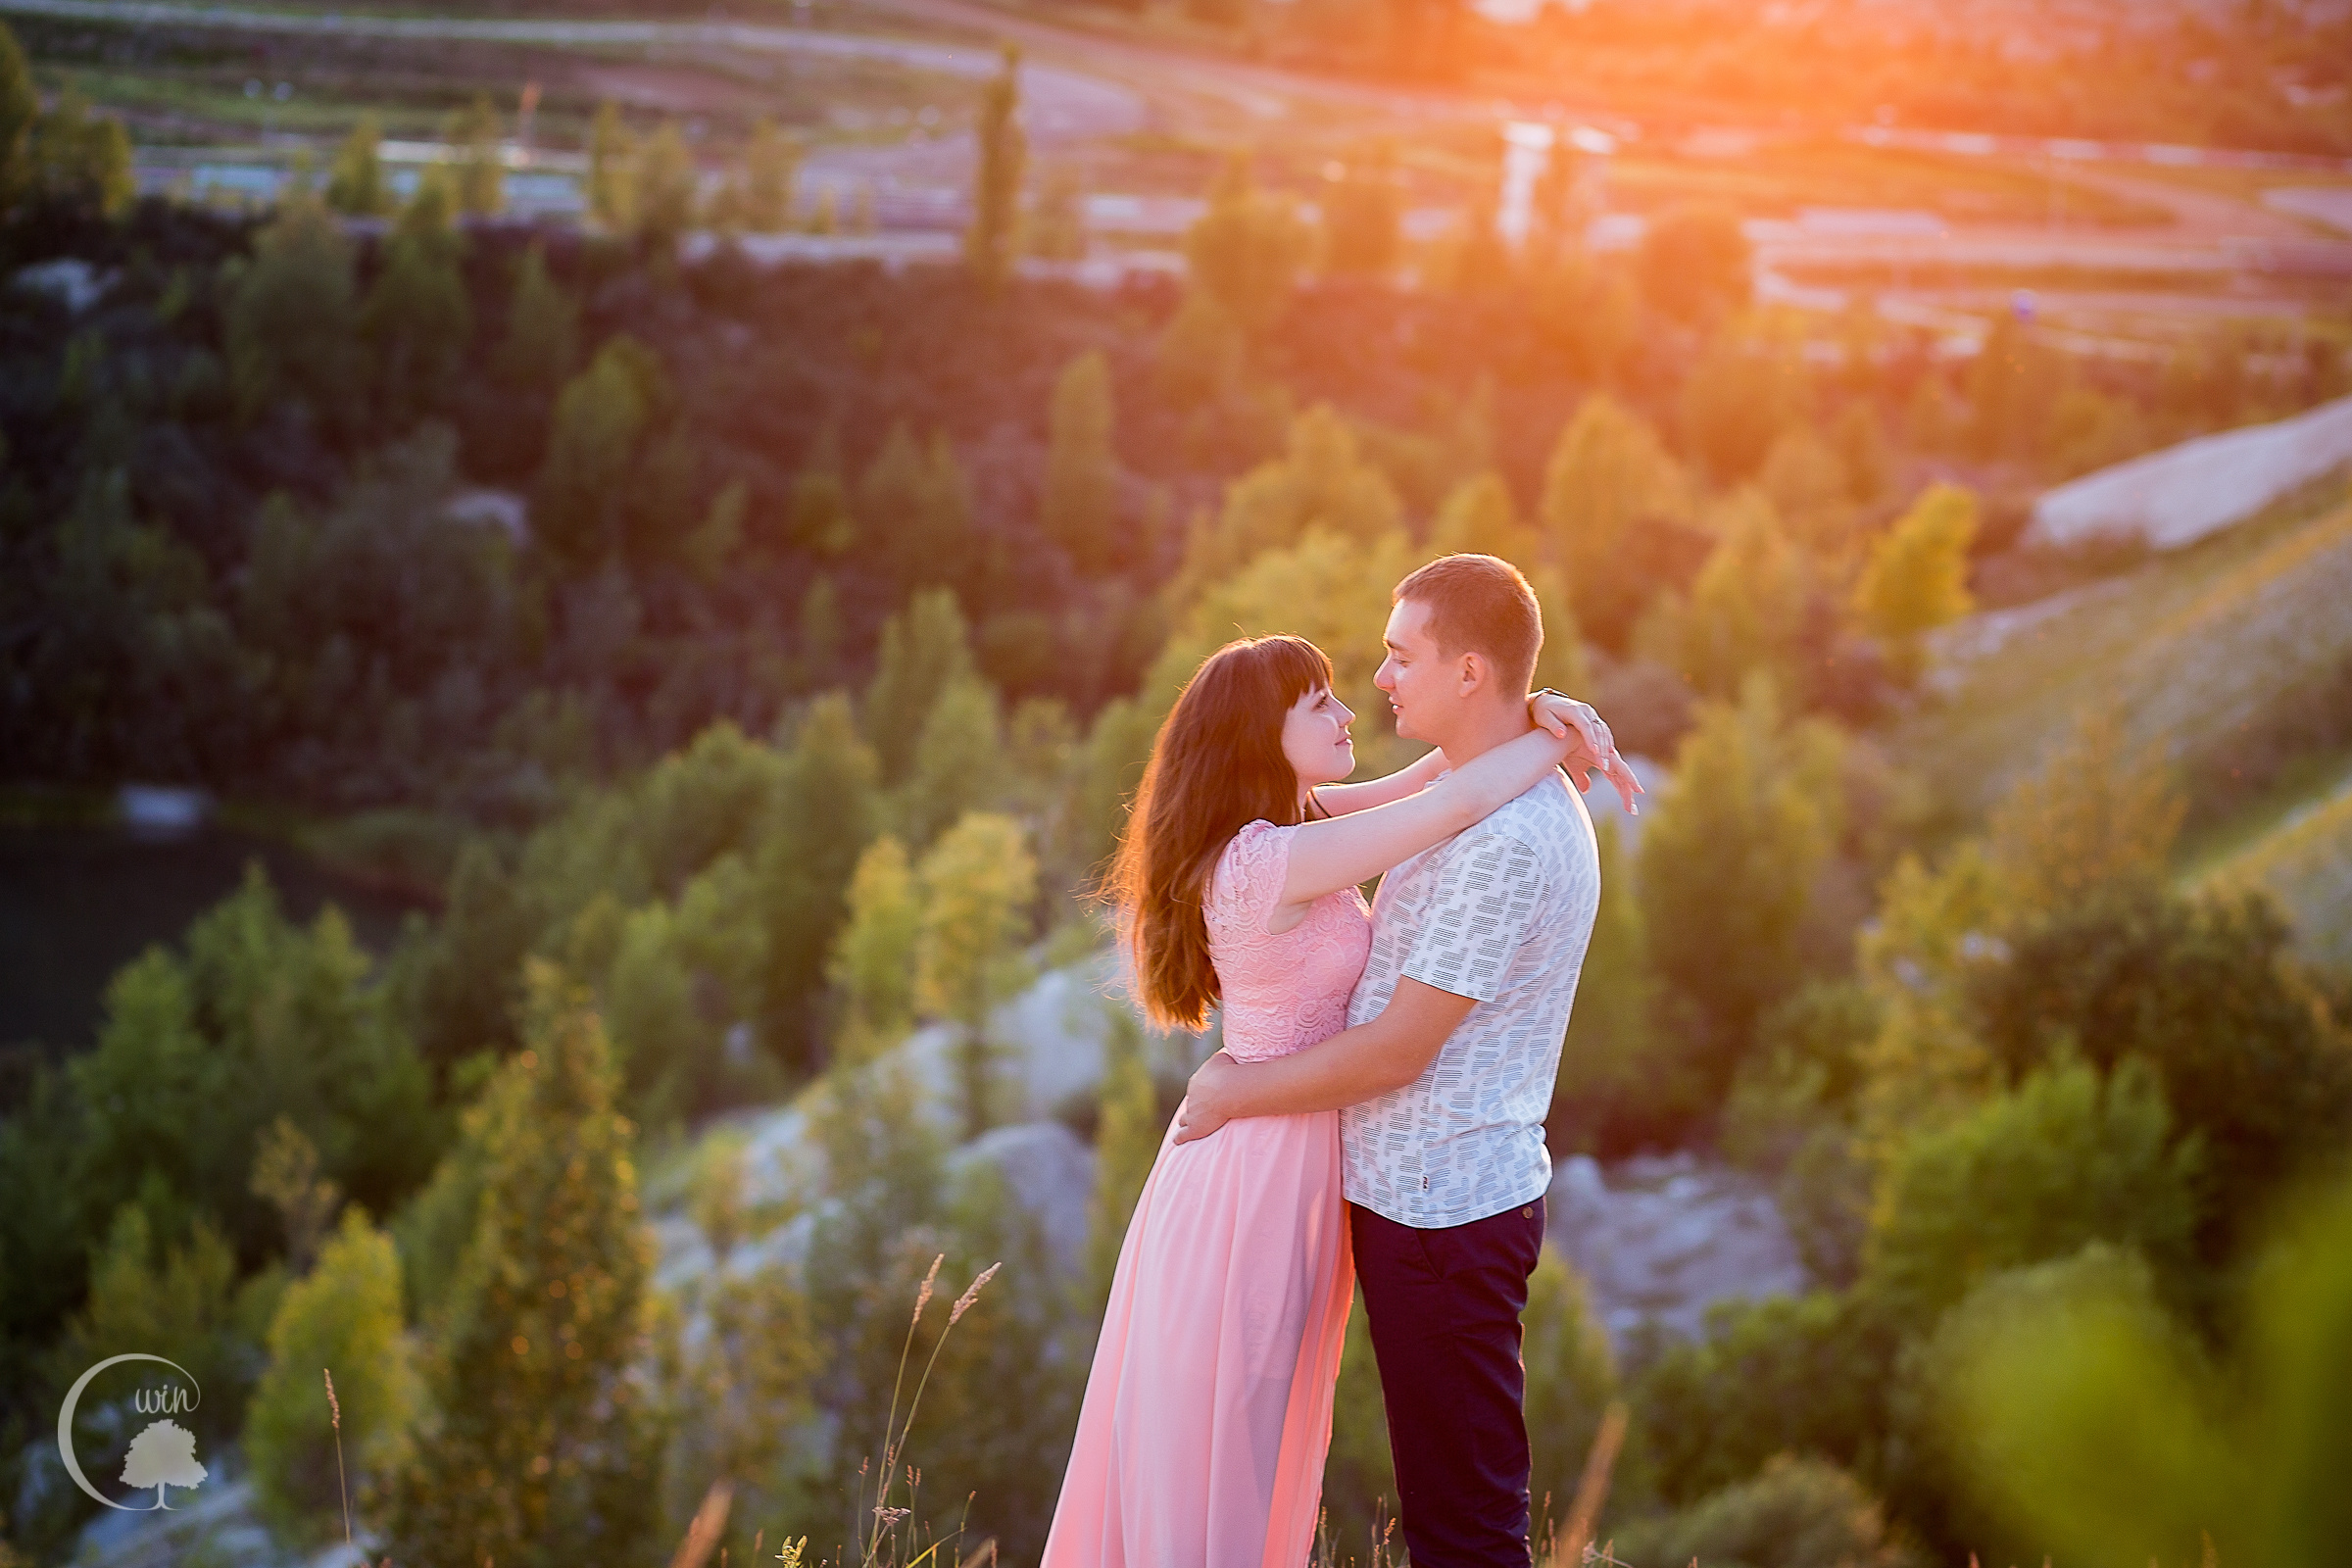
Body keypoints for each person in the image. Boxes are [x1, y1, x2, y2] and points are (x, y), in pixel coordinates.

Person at [1040, 555, 1638, 1568]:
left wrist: (1542, 711)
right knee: (1230, 1446)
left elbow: (1435, 780)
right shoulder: (1272, 853)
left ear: (1468, 668)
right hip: (1256, 1170)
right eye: (1322, 699)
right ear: (1261, 738)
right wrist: (1547, 733)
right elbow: (1447, 802)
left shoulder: (1306, 824)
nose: (1364, 693)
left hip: (1323, 1165)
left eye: (1395, 659)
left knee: (1273, 1445)